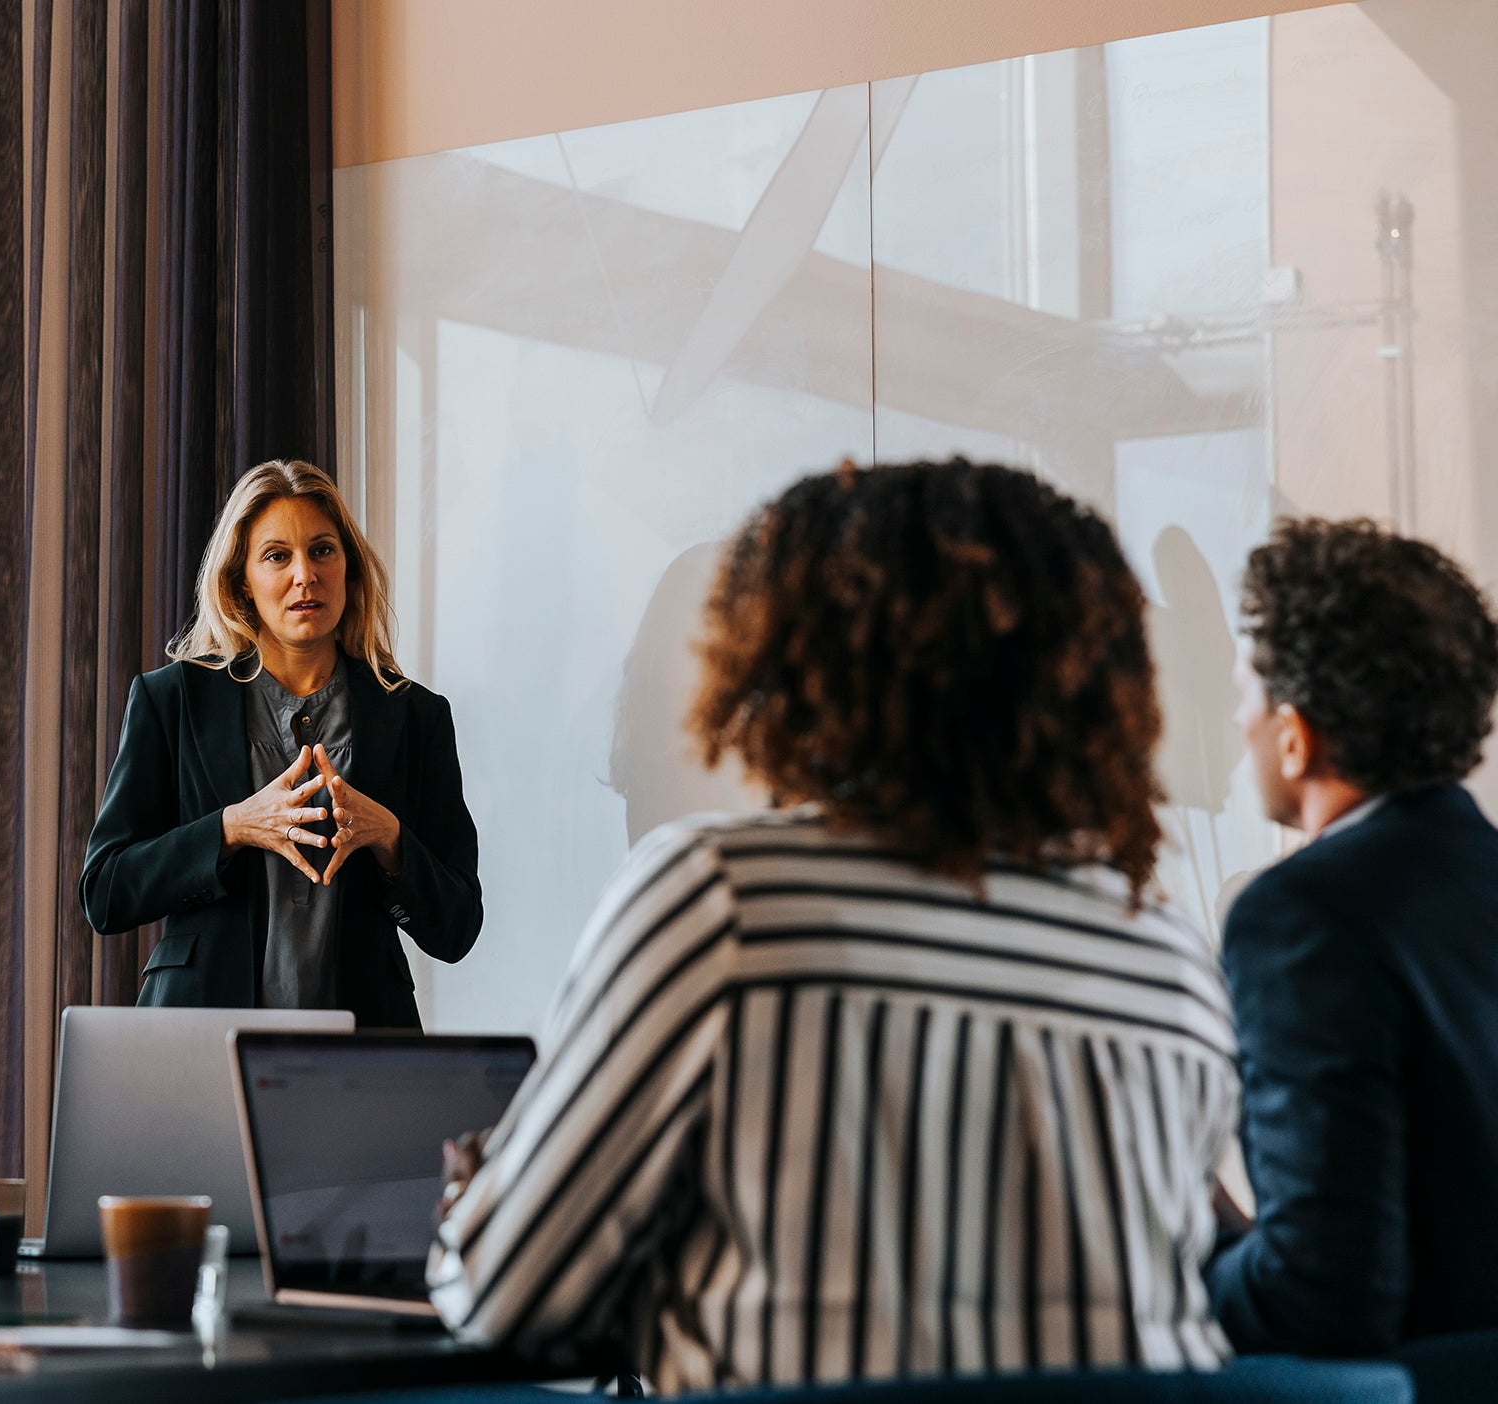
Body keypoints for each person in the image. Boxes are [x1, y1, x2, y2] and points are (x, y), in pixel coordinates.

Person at [429, 460, 1238, 1389]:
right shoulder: (1169, 955)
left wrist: (479, 1198)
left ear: (802, 662)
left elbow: (507, 1302)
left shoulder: (721, 901)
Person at [1205, 519, 1498, 1355]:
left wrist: (1197, 1244)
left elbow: (1325, 1297)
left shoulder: (1297, 916)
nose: (1237, 719)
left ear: (1295, 735)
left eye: (1246, 694)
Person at [80, 459, 481, 1026]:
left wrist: (388, 837)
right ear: (241, 579)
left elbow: (458, 925)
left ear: (349, 568)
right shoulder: (170, 701)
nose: (305, 575)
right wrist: (233, 827)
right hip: (198, 1046)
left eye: (322, 550)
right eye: (276, 556)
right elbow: (106, 891)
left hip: (363, 1053)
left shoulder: (417, 717)